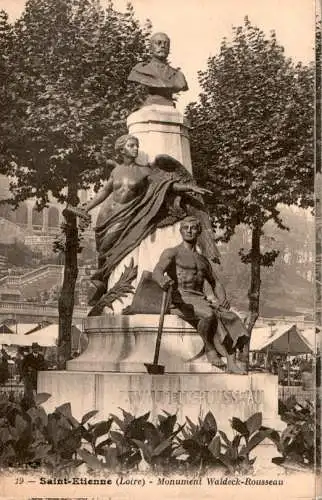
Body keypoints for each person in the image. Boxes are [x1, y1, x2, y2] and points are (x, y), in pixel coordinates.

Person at [78, 134, 210, 305]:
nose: (135, 149)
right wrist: (86, 208)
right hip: (107, 216)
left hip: (129, 216)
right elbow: (105, 192)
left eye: (136, 145)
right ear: (121, 149)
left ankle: (102, 284)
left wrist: (187, 187)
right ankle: (103, 283)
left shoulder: (144, 170)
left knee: (113, 251)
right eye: (131, 145)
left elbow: (165, 185)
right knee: (103, 250)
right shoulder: (116, 171)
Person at [152, 216, 250, 373]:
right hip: (180, 300)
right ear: (181, 231)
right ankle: (210, 349)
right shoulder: (172, 253)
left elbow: (216, 283)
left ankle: (232, 362)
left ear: (199, 231)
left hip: (200, 300)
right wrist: (161, 280)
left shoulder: (203, 260)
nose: (189, 231)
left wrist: (222, 299)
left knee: (231, 318)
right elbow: (157, 271)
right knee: (209, 315)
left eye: (193, 228)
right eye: (185, 227)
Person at [128, 32, 188, 106]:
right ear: (150, 48)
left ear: (169, 49)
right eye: (158, 43)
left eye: (166, 44)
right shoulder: (139, 70)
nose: (163, 46)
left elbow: (181, 85)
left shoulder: (178, 75)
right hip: (151, 104)